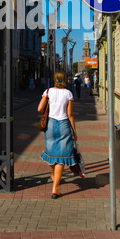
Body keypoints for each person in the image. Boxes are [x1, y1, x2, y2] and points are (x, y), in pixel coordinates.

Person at [38, 70, 77, 199]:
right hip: (63, 125)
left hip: (50, 125)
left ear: (54, 79)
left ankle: (53, 175)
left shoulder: (48, 92)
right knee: (61, 157)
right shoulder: (68, 93)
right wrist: (75, 132)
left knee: (50, 151)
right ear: (65, 79)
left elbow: (39, 109)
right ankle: (55, 189)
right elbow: (70, 114)